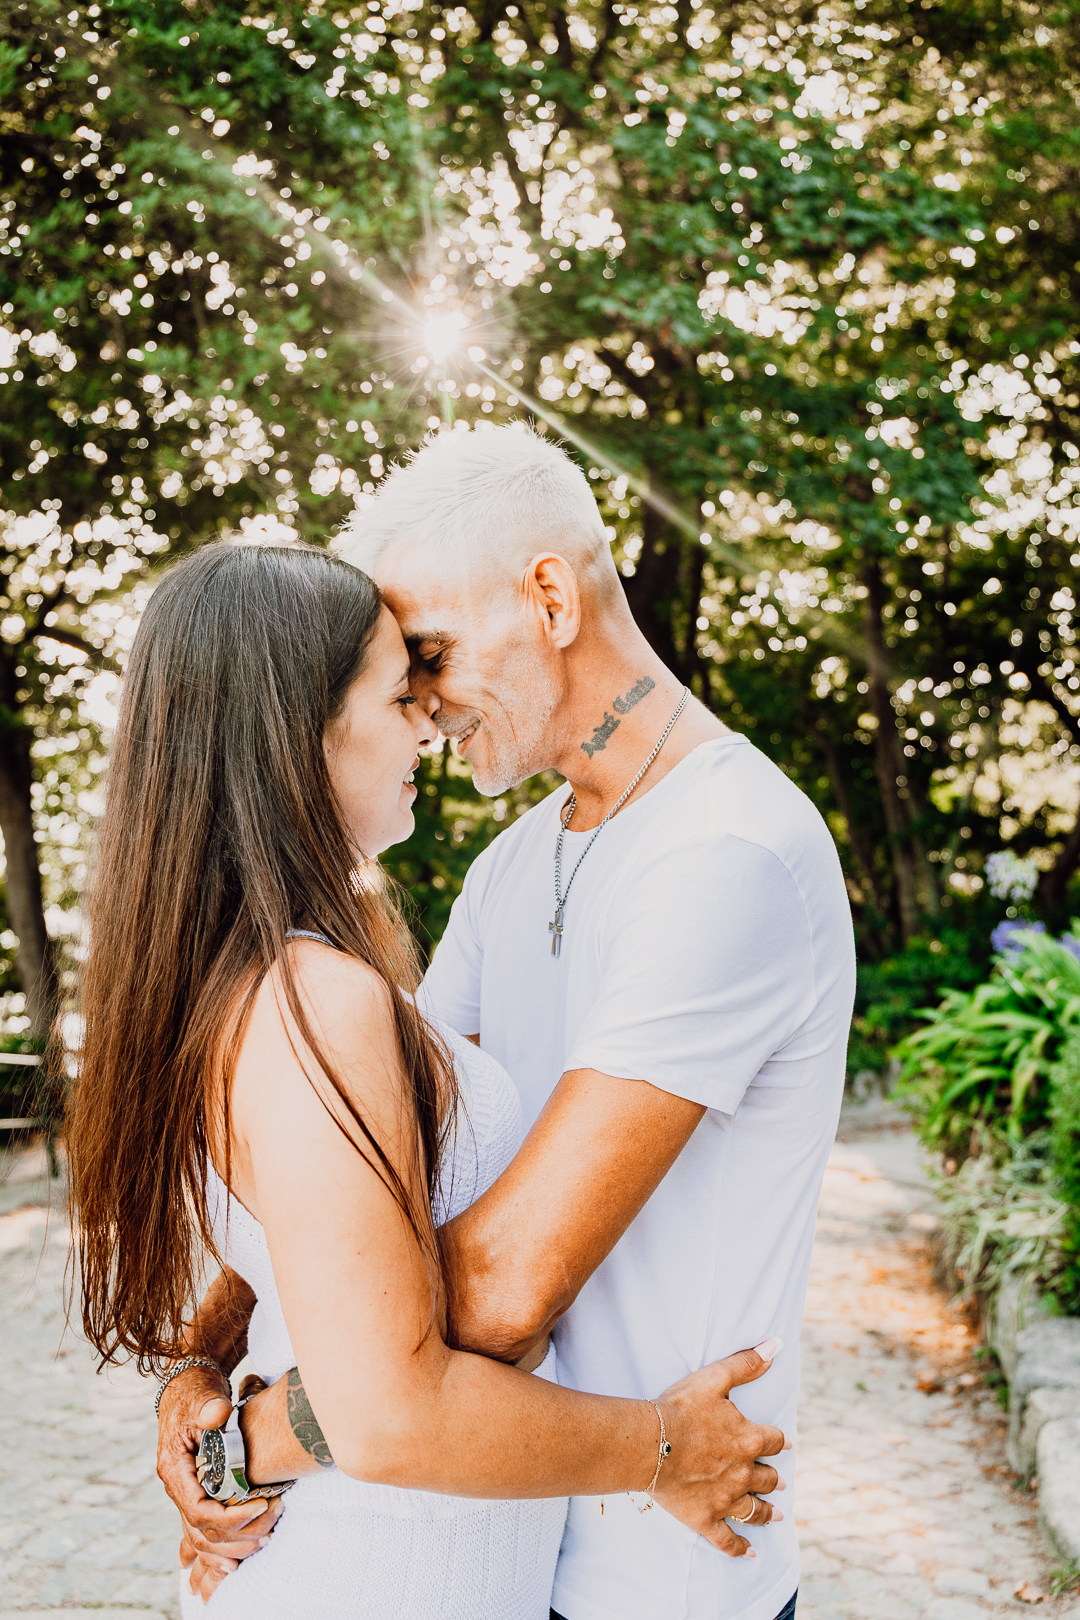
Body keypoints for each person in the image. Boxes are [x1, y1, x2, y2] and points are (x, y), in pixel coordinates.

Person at [159, 426, 856, 1620]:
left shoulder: (726, 854)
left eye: (426, 651)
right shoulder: (515, 865)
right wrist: (203, 1360)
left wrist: (256, 1439)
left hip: (658, 1565)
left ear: (548, 596)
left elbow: (499, 1289)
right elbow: (350, 1170)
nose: (418, 704)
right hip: (487, 1541)